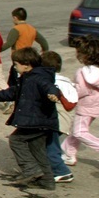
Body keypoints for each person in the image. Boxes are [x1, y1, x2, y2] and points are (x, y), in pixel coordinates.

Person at [0, 47, 61, 190]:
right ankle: (47, 180)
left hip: (37, 120)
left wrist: (53, 94)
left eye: (16, 64)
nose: (14, 67)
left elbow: (50, 87)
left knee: (16, 140)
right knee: (37, 149)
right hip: (40, 121)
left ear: (26, 64)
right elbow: (13, 92)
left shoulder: (39, 78)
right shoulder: (27, 78)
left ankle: (31, 170)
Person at [61, 37, 99, 169]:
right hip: (97, 106)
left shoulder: (82, 73)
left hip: (85, 106)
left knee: (79, 132)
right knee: (76, 130)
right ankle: (69, 154)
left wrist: (68, 89)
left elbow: (80, 91)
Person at [41, 51, 76, 183]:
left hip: (56, 121)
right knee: (49, 145)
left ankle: (62, 171)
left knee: (51, 147)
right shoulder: (66, 81)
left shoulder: (53, 82)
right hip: (65, 121)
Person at [1, 7, 49, 90]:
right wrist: (44, 51)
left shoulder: (16, 29)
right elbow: (44, 42)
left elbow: (9, 43)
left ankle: (12, 96)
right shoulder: (32, 29)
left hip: (18, 58)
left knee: (14, 80)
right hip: (28, 57)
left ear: (15, 17)